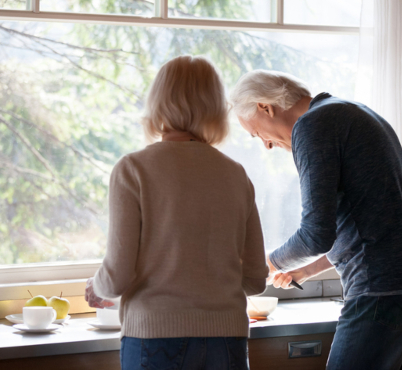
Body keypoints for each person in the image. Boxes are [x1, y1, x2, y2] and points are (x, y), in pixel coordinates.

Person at [230, 70, 402, 370]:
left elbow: (316, 234)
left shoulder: (311, 126)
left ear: (265, 107)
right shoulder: (349, 111)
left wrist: (264, 265)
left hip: (385, 289)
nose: (265, 145)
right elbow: (367, 225)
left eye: (256, 133)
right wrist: (306, 270)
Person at [85, 56, 269, 370]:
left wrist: (96, 287)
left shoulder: (133, 170)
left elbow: (116, 277)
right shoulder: (235, 174)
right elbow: (255, 280)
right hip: (227, 340)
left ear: (157, 101)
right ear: (215, 107)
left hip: (155, 338)